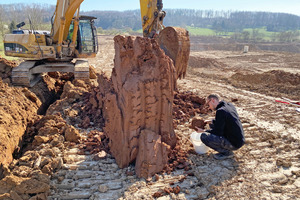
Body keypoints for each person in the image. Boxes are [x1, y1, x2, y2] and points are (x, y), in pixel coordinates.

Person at [196, 94, 245, 160]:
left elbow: (218, 132)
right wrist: (212, 121)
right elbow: (225, 121)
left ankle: (227, 153)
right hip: (239, 139)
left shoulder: (220, 111)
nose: (209, 107)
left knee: (204, 136)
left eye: (208, 104)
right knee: (211, 124)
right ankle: (227, 147)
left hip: (234, 143)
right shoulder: (229, 105)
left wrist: (203, 131)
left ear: (212, 100)